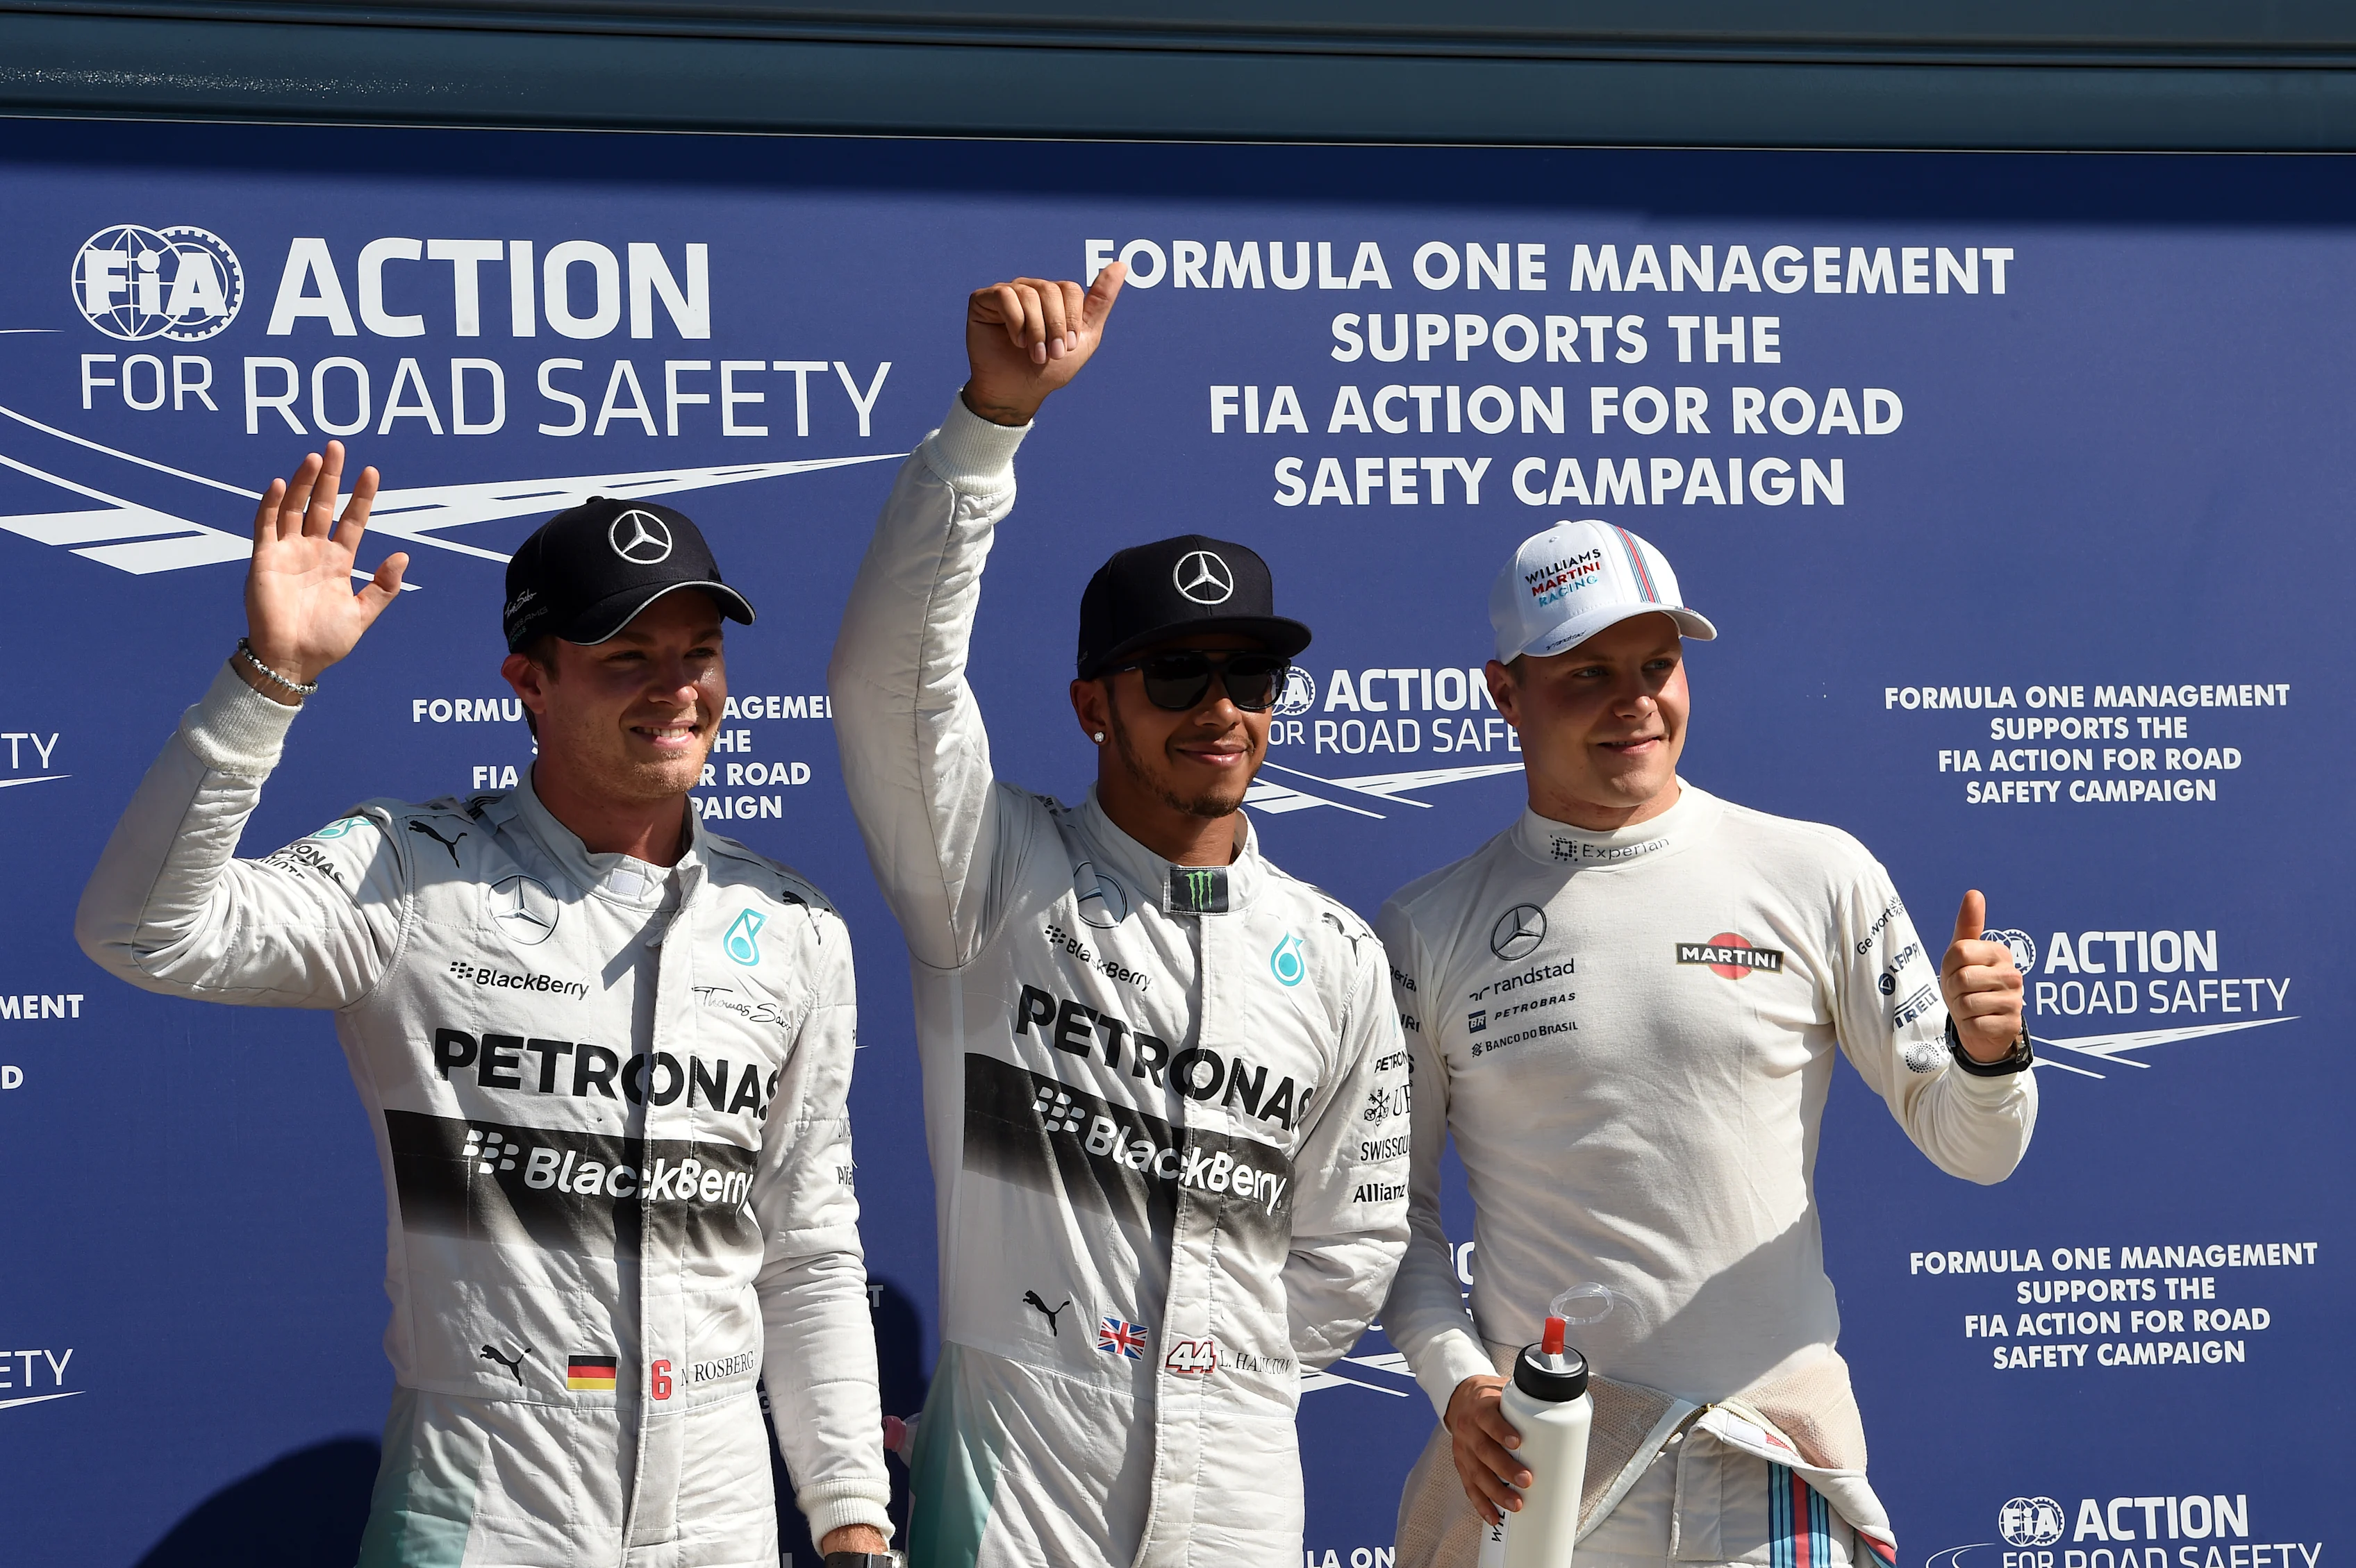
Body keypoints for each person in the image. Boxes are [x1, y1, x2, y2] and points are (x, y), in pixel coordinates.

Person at [76, 451, 897, 1567]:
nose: (677, 688)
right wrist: (270, 679)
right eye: (627, 657)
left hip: (724, 1518)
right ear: (529, 681)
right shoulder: (409, 871)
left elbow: (804, 1247)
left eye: (699, 652)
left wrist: (851, 1520)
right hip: (483, 1517)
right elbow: (140, 929)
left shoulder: (794, 923)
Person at [827, 262, 1411, 1568]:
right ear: (1096, 704)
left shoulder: (1336, 953)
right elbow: (887, 683)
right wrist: (988, 426)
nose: (1221, 708)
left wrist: (1215, 1361)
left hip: (1240, 1479)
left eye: (1250, 674)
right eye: (1177, 673)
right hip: (1019, 1474)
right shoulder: (990, 870)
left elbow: (1353, 1245)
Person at [1379, 519, 2038, 1568]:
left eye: (1657, 666)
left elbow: (1980, 1149)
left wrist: (1989, 1057)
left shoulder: (1818, 873)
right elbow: (1392, 1219)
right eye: (1588, 673)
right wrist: (1462, 1384)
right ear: (1506, 693)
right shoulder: (1428, 927)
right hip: (1549, 1476)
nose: (1635, 701)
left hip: (1775, 1461)